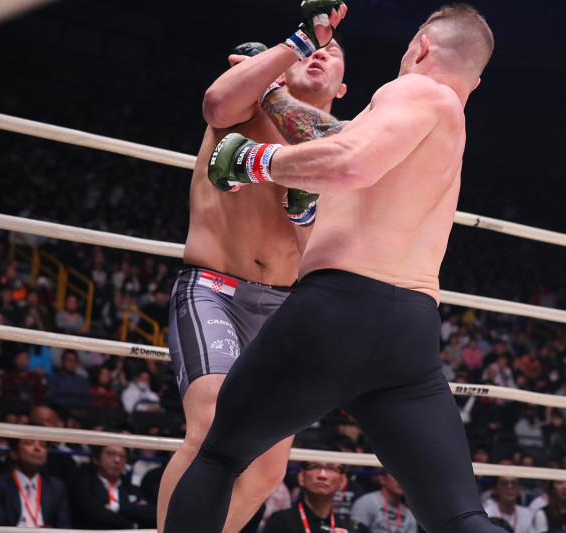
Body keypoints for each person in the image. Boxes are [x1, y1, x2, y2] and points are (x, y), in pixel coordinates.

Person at [164, 4, 500, 533]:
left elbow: (349, 162)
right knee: (459, 516)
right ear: (475, 82)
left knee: (220, 455)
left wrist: (254, 161)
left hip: (336, 312)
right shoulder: (445, 123)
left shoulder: (411, 90)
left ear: (421, 49)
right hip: (409, 334)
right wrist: (272, 92)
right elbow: (333, 140)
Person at [157, 0, 349, 529]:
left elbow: (321, 243)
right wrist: (297, 43)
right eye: (313, 49)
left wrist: (304, 208)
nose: (320, 54)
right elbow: (216, 104)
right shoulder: (250, 102)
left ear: (343, 87)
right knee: (210, 428)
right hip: (214, 288)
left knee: (266, 470)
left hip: (283, 308)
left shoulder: (344, 144)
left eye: (332, 52)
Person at [0, 437, 71, 527]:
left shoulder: (56, 487)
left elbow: (64, 526)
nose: (37, 448)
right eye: (29, 443)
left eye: (42, 444)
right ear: (14, 453)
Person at [265, 460, 367, 533]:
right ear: (301, 477)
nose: (322, 475)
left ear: (342, 481)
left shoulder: (346, 528)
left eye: (331, 468)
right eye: (314, 466)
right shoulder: (280, 521)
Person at [70, 444, 156, 529]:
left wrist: (116, 507)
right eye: (111, 454)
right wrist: (132, 523)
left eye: (122, 456)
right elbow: (94, 515)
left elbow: (151, 514)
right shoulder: (84, 484)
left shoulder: (130, 488)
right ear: (96, 459)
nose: (117, 460)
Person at [350, 470, 418, 533]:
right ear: (381, 479)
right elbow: (356, 530)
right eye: (395, 475)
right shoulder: (366, 502)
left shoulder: (409, 513)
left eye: (403, 477)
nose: (400, 481)